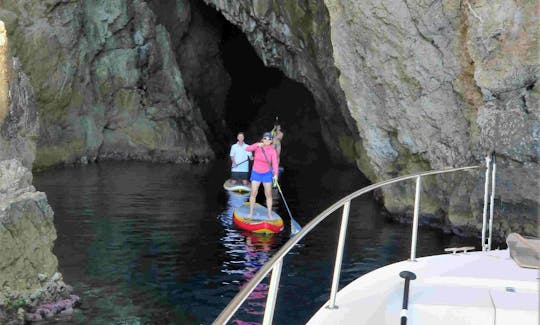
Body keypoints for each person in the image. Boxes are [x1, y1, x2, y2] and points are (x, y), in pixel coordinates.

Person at [245, 132, 279, 219]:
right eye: (265, 138)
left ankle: (269, 214)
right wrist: (256, 145)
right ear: (262, 139)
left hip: (267, 174)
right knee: (253, 192)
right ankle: (251, 213)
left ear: (271, 141)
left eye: (269, 139)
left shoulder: (272, 150)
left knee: (268, 194)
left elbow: (275, 163)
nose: (267, 140)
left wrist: (275, 174)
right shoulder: (258, 146)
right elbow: (247, 149)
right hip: (256, 172)